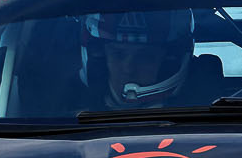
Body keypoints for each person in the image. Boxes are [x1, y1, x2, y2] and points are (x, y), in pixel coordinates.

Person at [82, 11, 223, 108]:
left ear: (169, 62)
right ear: (101, 60)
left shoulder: (216, 115)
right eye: (118, 55)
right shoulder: (71, 112)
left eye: (144, 57)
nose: (128, 69)